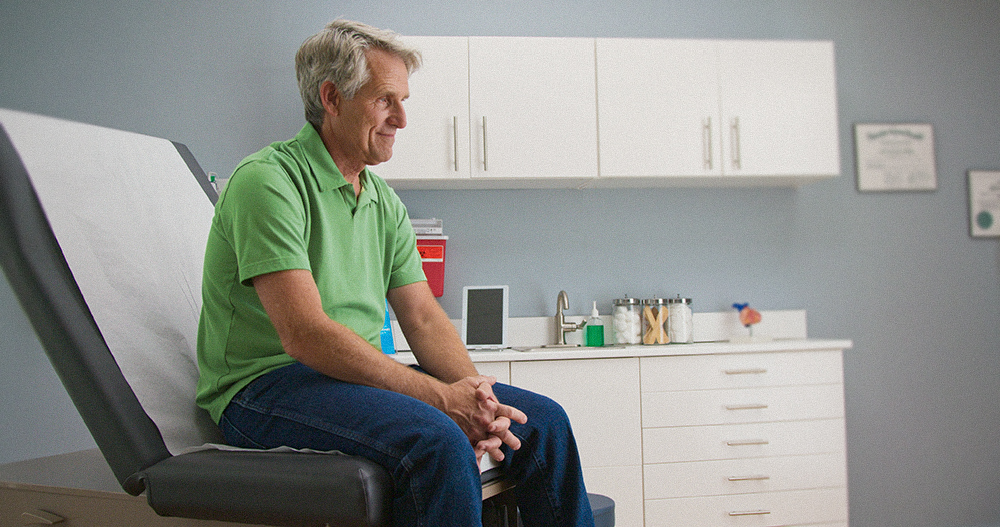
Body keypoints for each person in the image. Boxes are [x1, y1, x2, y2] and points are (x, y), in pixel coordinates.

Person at [195, 19, 594, 527]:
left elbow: (423, 318)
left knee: (545, 424)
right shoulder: (268, 183)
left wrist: (476, 395)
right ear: (332, 98)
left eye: (404, 101)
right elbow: (304, 334)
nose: (402, 119)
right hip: (265, 388)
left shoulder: (382, 200)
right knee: (438, 441)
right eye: (386, 100)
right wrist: (440, 400)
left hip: (349, 380)